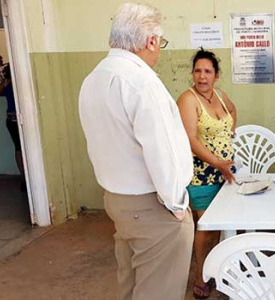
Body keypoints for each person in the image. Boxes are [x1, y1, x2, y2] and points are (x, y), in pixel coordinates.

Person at [78, 3, 194, 299]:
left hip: (118, 201)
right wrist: (177, 204)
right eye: (161, 43)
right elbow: (162, 149)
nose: (159, 49)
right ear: (151, 41)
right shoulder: (141, 82)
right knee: (159, 292)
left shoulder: (94, 79)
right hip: (154, 206)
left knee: (130, 288)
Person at [176, 49, 237, 299]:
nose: (202, 77)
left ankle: (217, 270)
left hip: (224, 175)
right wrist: (218, 162)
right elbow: (191, 140)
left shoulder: (220, 96)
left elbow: (232, 112)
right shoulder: (188, 99)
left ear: (216, 75)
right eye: (198, 71)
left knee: (222, 226)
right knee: (206, 228)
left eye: (207, 71)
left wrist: (229, 134)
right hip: (201, 176)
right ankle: (200, 277)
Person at [0, 64, 25, 190]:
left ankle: (24, 177)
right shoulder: (11, 85)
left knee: (19, 150)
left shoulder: (17, 84)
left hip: (14, 119)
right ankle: (24, 177)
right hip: (13, 120)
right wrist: (7, 82)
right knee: (19, 149)